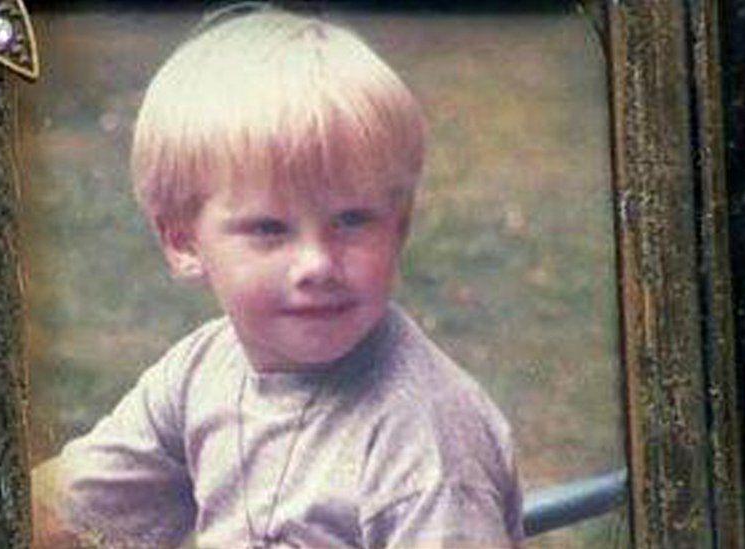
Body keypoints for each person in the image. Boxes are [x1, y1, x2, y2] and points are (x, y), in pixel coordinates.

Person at [33, 5, 523, 548]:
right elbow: (57, 509)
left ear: (399, 227)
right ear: (183, 242)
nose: (317, 264)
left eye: (352, 220)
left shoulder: (426, 446)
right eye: (269, 229)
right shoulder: (202, 370)